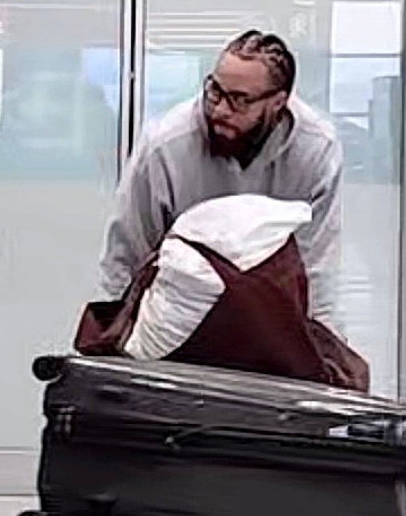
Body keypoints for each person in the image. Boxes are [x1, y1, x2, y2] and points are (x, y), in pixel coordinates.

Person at [99, 30, 343, 323]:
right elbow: (125, 260)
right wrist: (117, 337)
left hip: (271, 317)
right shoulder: (165, 147)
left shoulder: (315, 150)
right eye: (215, 90)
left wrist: (322, 343)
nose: (220, 109)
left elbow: (317, 271)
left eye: (240, 100)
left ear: (279, 102)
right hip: (177, 317)